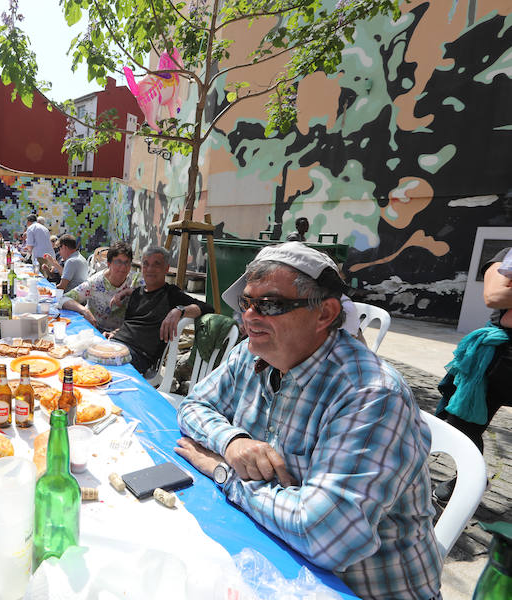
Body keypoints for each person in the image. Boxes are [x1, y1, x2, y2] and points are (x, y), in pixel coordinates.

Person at [175, 242, 440, 600]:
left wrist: (222, 470)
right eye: (247, 302)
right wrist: (232, 442)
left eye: (270, 304)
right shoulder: (252, 353)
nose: (250, 316)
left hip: (355, 588)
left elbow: (323, 537)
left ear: (325, 314)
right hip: (273, 558)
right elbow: (193, 406)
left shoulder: (370, 395)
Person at [433, 246, 512, 502]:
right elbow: (495, 296)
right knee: (461, 424)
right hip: (496, 359)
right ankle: (469, 479)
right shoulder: (506, 255)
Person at [106, 245, 214, 376]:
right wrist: (116, 333)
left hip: (139, 356)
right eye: (146, 264)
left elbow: (208, 308)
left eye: (156, 264)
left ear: (166, 268)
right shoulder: (136, 294)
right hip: (116, 345)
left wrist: (179, 310)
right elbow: (131, 325)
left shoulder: (171, 294)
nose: (150, 269)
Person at [61, 241, 140, 332]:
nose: (123, 267)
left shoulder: (135, 280)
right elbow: (64, 299)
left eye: (127, 262)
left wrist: (127, 292)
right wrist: (84, 311)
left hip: (122, 332)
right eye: (118, 262)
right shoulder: (95, 283)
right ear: (109, 263)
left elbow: (152, 295)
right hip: (97, 330)